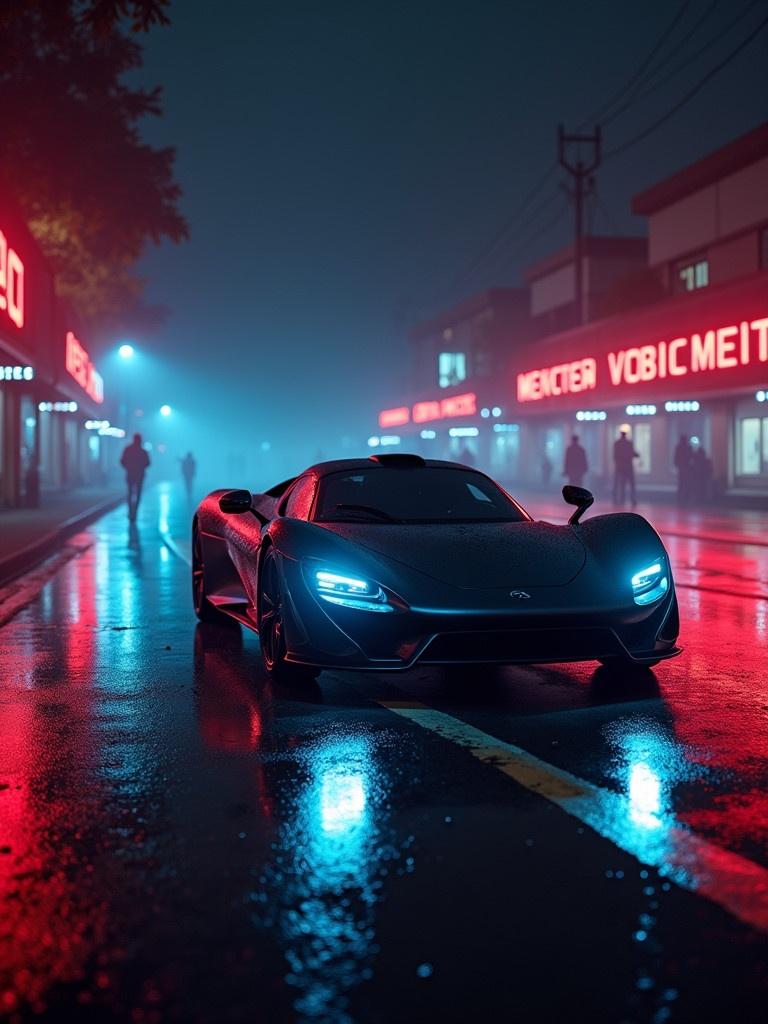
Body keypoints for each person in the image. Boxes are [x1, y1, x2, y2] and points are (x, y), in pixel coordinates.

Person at [120, 433, 150, 521]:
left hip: (130, 474)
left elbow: (122, 461)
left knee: (130, 493)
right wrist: (141, 467)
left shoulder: (128, 449)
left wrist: (128, 468)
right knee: (138, 494)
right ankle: (135, 512)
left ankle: (130, 512)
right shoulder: (143, 451)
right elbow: (148, 463)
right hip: (140, 475)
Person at [613, 428, 639, 505]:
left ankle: (621, 499)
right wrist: (636, 455)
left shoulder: (617, 443)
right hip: (628, 466)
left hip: (620, 466)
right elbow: (632, 453)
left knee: (621, 483)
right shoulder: (629, 443)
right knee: (631, 483)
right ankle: (632, 499)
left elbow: (615, 455)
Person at [673, 434, 693, 505]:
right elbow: (691, 457)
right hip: (685, 468)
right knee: (685, 483)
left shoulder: (679, 447)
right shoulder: (688, 447)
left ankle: (681, 499)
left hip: (682, 467)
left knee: (682, 484)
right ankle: (685, 499)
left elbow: (675, 458)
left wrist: (677, 465)